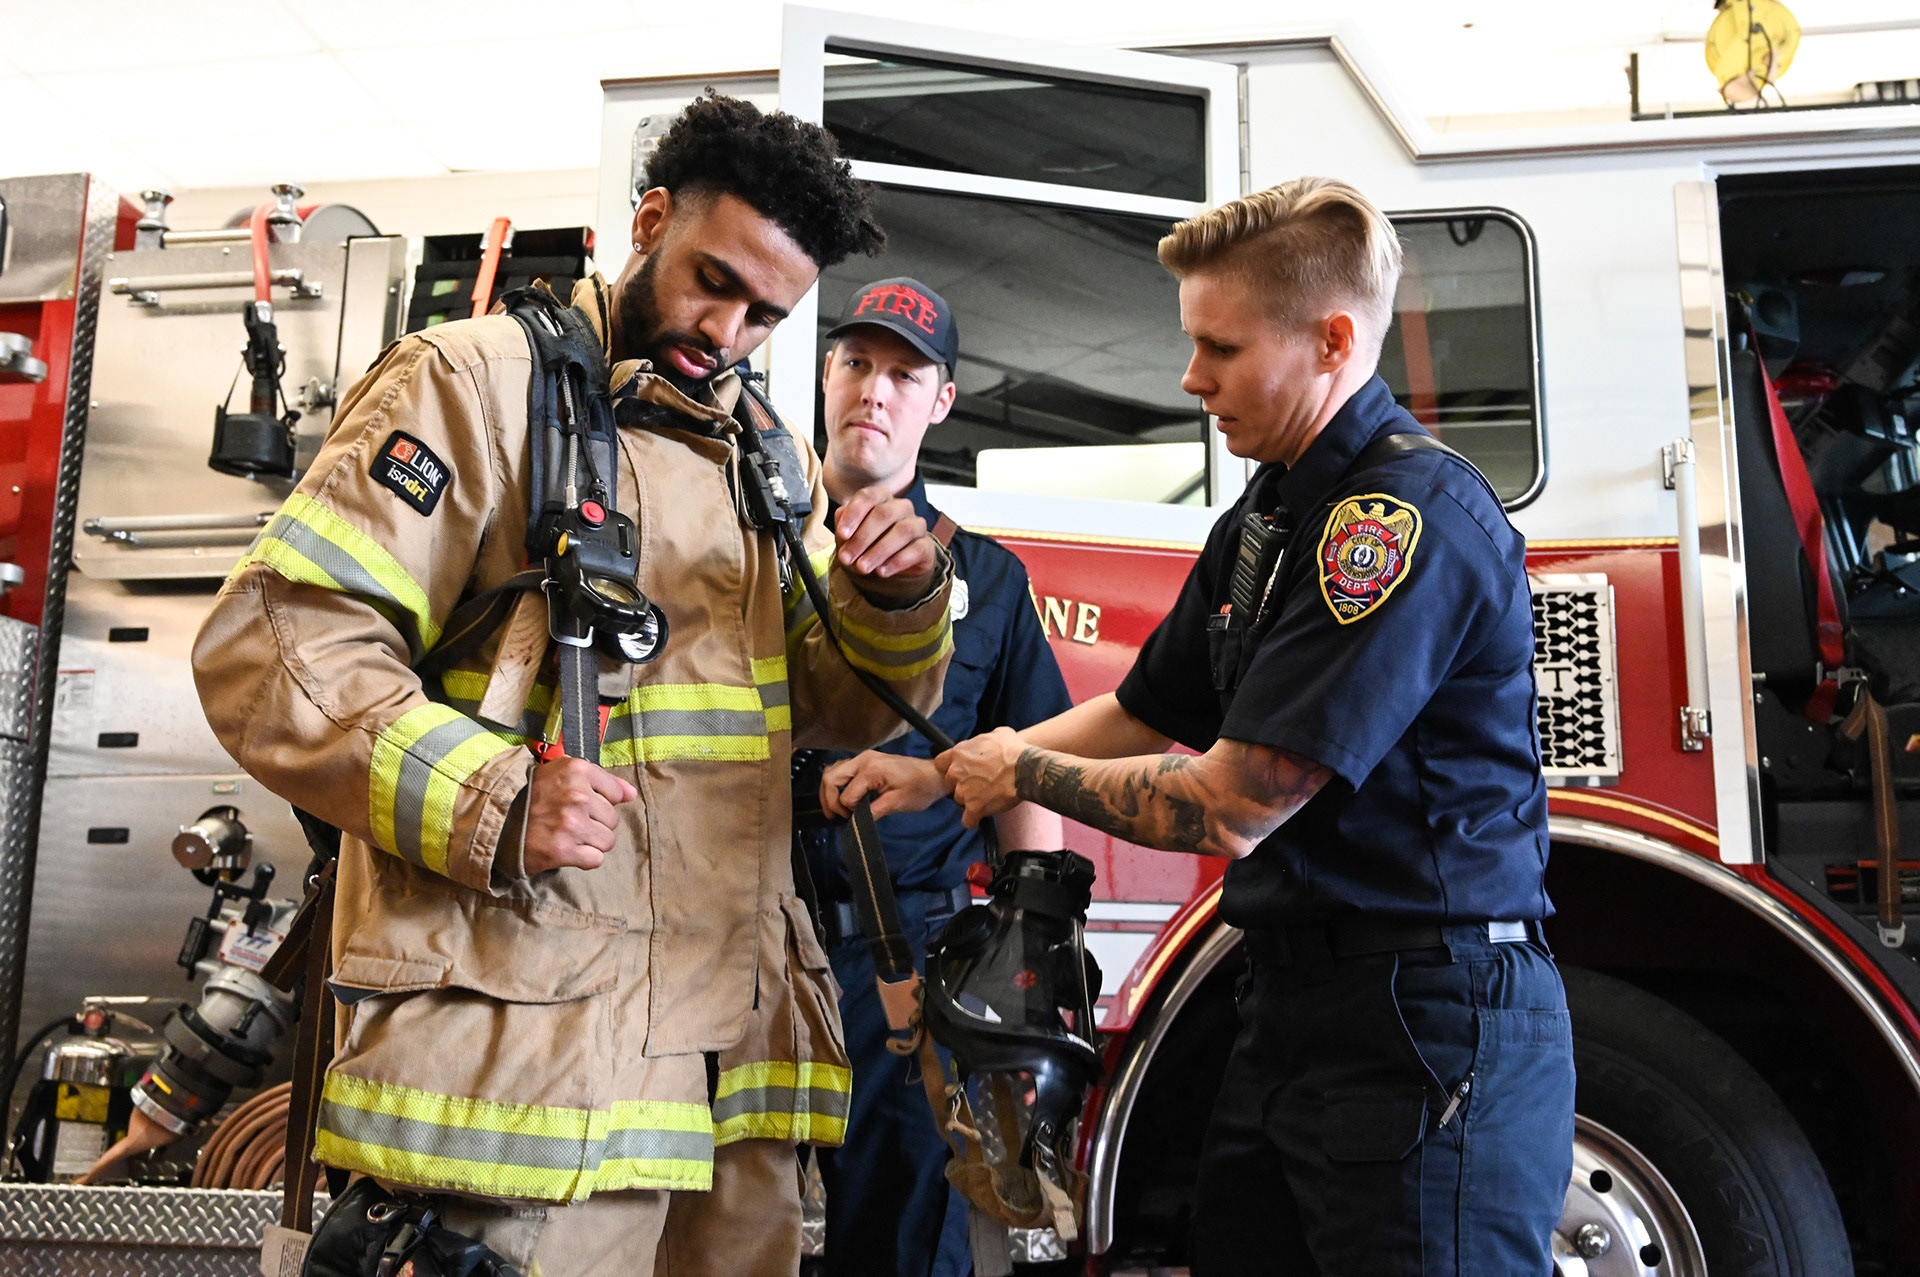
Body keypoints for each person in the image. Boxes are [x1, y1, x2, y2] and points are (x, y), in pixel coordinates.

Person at [192, 92, 957, 1276]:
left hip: (726, 1091)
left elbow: (834, 708)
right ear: (649, 221)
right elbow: (276, 641)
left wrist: (893, 603)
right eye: (712, 281)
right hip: (529, 1086)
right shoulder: (472, 384)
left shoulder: (769, 456)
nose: (728, 331)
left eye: (766, 314)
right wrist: (492, 795)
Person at [936, 178, 1574, 1275]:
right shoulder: (1269, 513)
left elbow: (1234, 806)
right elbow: (1145, 709)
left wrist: (1022, 769)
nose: (1192, 378)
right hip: (1292, 1006)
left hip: (1424, 1016)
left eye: (1221, 348)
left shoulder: (1397, 522)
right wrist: (952, 771)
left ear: (1333, 341)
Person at [799, 277, 1073, 1276]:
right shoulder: (751, 545)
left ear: (942, 400)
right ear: (825, 376)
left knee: (908, 1244)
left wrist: (1029, 962)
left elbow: (1029, 769)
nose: (874, 389)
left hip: (904, 965)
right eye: (856, 363)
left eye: (904, 375)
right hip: (743, 943)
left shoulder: (988, 579)